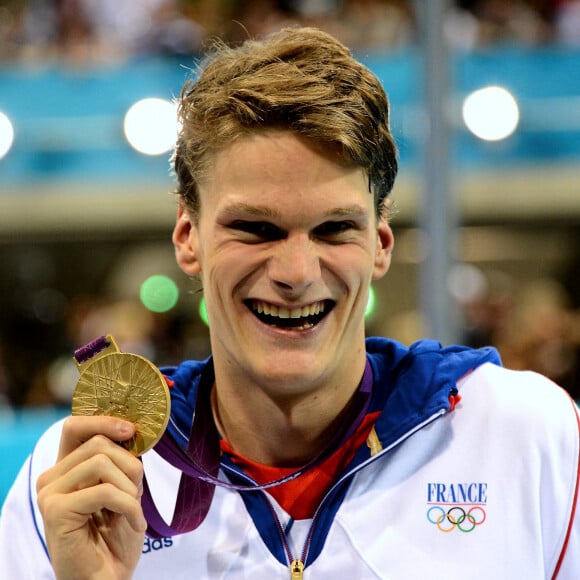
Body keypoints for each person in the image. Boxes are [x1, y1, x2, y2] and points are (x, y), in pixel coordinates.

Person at [0, 26, 579, 579]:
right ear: (187, 238)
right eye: (255, 228)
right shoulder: (79, 476)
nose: (297, 274)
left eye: (334, 229)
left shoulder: (526, 439)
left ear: (379, 244)